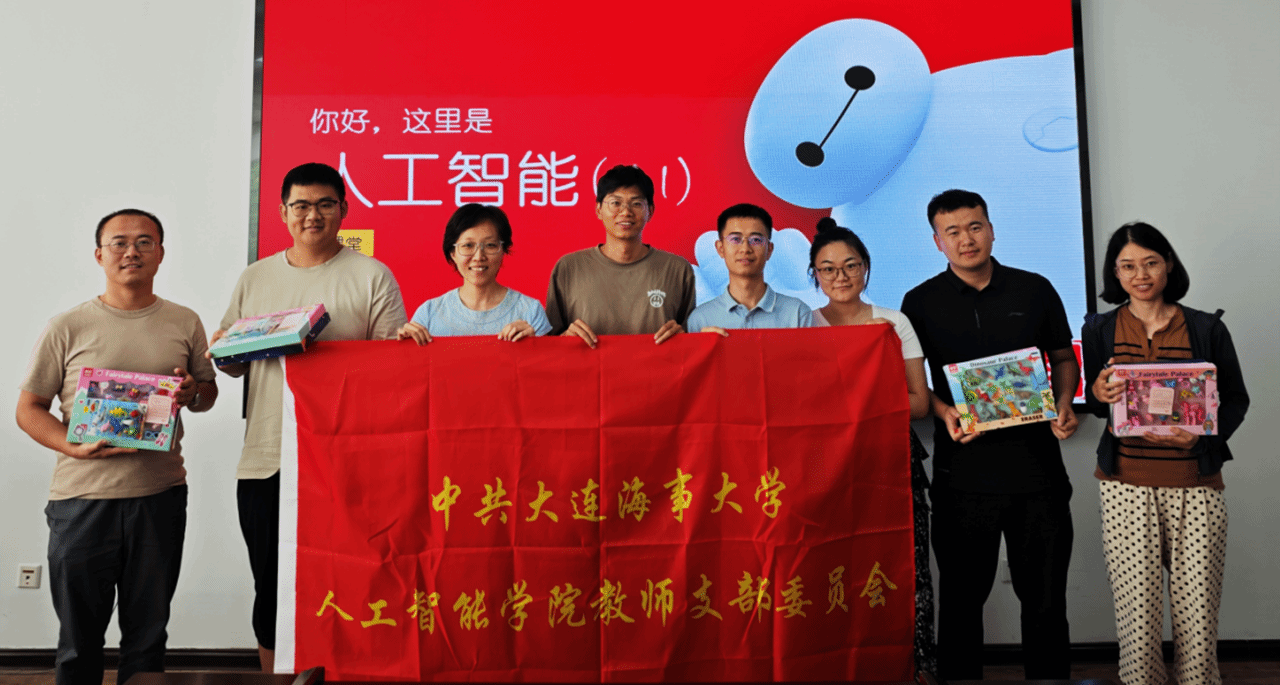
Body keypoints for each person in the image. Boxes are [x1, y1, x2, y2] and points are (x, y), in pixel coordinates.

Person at [213, 162, 407, 672]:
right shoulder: (255, 277)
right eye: (301, 205)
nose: (312, 215)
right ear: (283, 212)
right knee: (271, 586)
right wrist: (227, 348)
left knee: (353, 579)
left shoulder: (372, 275)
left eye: (325, 204)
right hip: (268, 457)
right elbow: (230, 364)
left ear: (344, 210)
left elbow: (393, 370)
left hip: (347, 459)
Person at [17, 209, 218, 685]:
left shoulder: (184, 320)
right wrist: (72, 446)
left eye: (145, 242)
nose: (132, 252)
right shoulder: (67, 325)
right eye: (120, 242)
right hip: (81, 501)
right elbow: (29, 409)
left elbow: (205, 394)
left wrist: (193, 392)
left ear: (161, 253)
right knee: (78, 640)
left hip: (160, 496)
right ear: (99, 254)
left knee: (148, 638)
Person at [900, 189, 1079, 681]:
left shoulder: (1035, 289)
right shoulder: (919, 302)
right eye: (953, 231)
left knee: (1045, 600)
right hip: (962, 479)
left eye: (975, 227)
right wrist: (943, 411)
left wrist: (1065, 401)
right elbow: (914, 384)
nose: (966, 239)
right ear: (937, 241)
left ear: (992, 229)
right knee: (960, 603)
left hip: (1038, 475)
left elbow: (1063, 358)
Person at [1082, 222, 1248, 685]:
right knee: (1136, 617)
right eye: (1128, 266)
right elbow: (1097, 401)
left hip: (1196, 486)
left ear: (1169, 264)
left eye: (1151, 263)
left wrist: (1202, 439)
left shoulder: (1205, 327)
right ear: (1115, 273)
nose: (1140, 275)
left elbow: (1236, 399)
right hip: (1124, 486)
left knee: (1198, 612)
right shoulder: (1099, 328)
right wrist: (1097, 392)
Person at [806, 216, 934, 674]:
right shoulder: (804, 324)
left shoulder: (893, 322)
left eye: (851, 266)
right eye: (827, 268)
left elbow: (919, 402)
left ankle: (915, 665)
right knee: (832, 562)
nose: (840, 277)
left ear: (866, 268)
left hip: (890, 459)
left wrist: (863, 403)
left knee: (904, 563)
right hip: (828, 464)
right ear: (814, 274)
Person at [546, 164, 695, 347]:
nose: (625, 212)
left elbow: (693, 343)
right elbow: (547, 344)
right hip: (587, 367)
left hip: (657, 367)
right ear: (598, 210)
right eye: (615, 203)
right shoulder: (569, 267)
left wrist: (686, 338)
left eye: (636, 203)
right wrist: (563, 339)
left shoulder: (677, 270)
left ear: (650, 211)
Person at [397, 204, 550, 344]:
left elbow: (547, 364)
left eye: (490, 245)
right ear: (453, 253)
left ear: (503, 251)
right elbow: (413, 365)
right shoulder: (429, 314)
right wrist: (405, 347)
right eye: (468, 245)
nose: (478, 257)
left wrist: (534, 344)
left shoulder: (531, 312)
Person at [687, 203, 811, 334]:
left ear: (769, 250)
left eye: (756, 240)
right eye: (735, 239)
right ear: (720, 248)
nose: (745, 249)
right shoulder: (700, 320)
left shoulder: (798, 313)